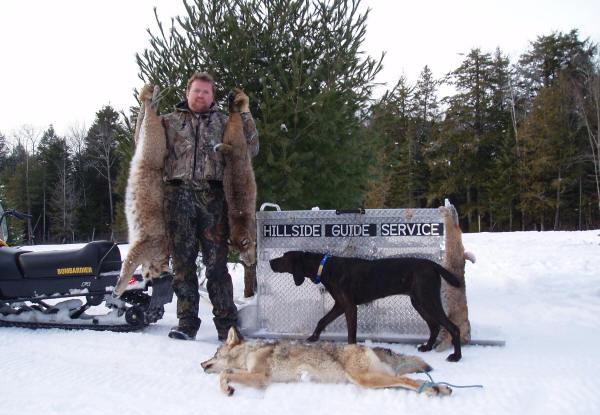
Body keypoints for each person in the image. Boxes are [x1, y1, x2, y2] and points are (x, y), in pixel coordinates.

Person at [161, 72, 259, 340]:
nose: (201, 95)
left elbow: (251, 148)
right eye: (196, 91)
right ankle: (186, 322)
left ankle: (226, 325)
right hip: (177, 197)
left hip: (213, 198)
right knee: (182, 264)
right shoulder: (168, 122)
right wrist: (144, 110)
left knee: (217, 264)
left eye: (206, 92)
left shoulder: (225, 122)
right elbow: (143, 145)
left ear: (212, 96)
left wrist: (245, 112)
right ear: (187, 92)